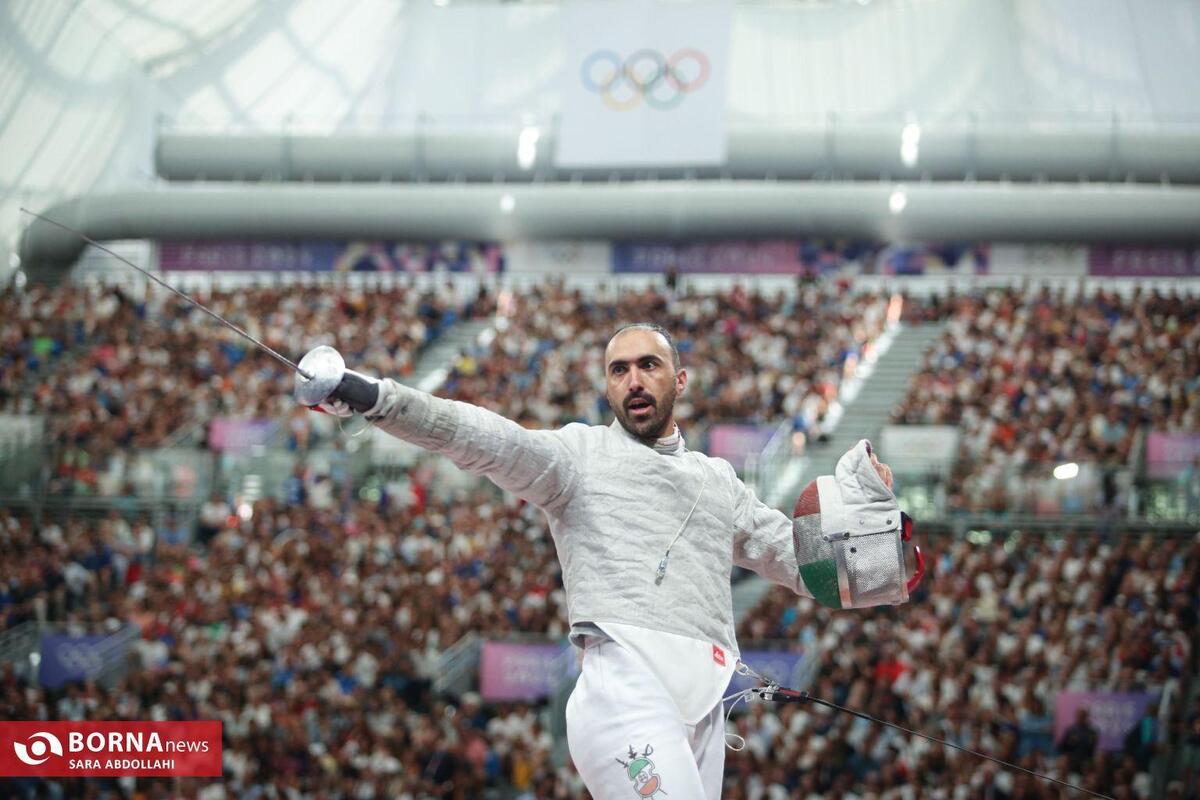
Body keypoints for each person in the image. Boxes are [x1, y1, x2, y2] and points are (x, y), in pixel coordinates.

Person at [296, 322, 918, 799]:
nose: (633, 381)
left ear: (680, 381)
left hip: (703, 708)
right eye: (619, 370)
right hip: (624, 695)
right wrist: (376, 397)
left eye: (649, 365)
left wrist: (873, 540)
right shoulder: (580, 457)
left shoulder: (718, 481)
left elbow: (803, 565)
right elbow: (485, 438)